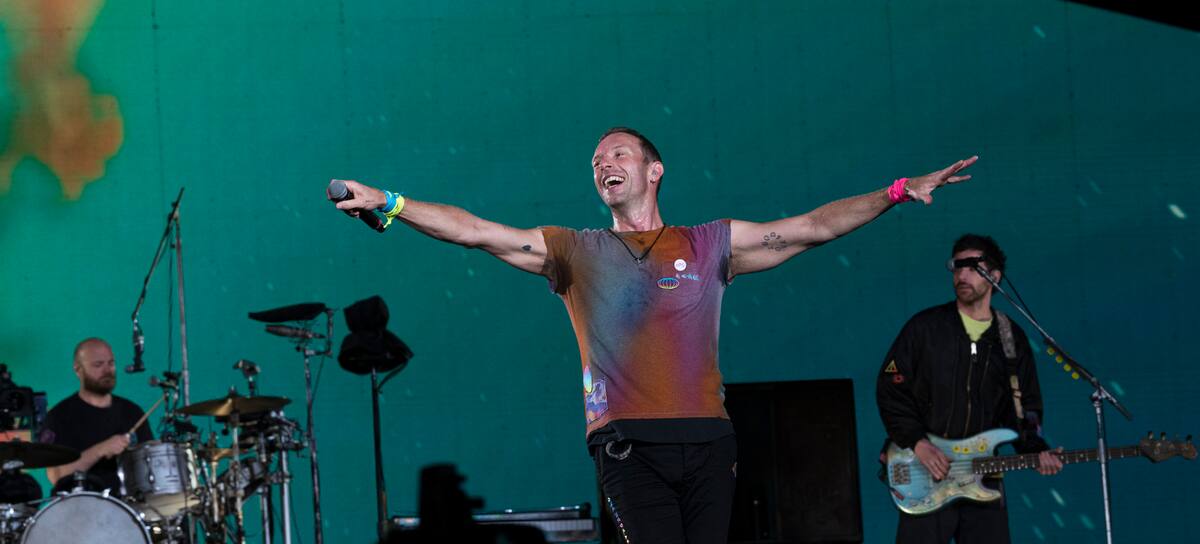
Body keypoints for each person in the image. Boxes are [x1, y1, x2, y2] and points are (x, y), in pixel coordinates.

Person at [332, 127, 976, 543]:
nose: (603, 164)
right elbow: (475, 231)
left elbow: (813, 227)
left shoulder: (709, 243)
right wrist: (389, 201)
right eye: (595, 161)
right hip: (627, 446)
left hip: (710, 439)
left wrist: (898, 191)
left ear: (654, 170)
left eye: (617, 154)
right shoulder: (573, 250)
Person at [876, 234, 1063, 544]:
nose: (962, 275)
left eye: (972, 267)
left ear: (995, 276)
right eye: (957, 266)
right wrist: (917, 442)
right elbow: (891, 388)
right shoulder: (925, 328)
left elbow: (1024, 405)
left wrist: (1035, 449)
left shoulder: (1010, 338)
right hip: (928, 470)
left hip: (984, 478)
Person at [40, 337, 153, 494]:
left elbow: (150, 464)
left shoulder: (132, 411)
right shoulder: (59, 416)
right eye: (98, 365)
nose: (107, 370)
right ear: (78, 370)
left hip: (130, 504)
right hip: (83, 505)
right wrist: (100, 449)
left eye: (111, 363)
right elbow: (56, 476)